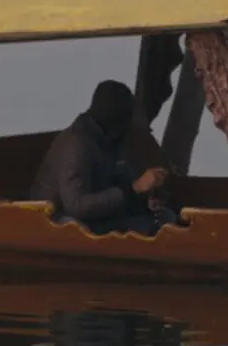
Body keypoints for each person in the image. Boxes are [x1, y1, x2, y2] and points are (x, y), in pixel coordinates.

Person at [29, 80, 181, 236]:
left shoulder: (110, 140)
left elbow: (122, 181)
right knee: (76, 230)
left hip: (101, 217)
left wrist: (145, 199)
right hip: (58, 220)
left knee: (165, 219)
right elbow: (76, 205)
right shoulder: (76, 146)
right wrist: (134, 188)